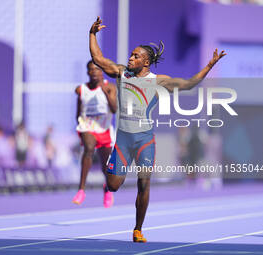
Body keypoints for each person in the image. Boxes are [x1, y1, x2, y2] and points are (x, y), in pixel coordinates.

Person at [89, 16, 226, 242]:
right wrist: (92, 34)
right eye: (131, 54)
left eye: (135, 56)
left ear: (146, 62)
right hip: (123, 139)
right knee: (113, 186)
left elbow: (189, 83)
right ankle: (112, 179)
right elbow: (98, 58)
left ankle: (138, 229)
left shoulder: (158, 81)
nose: (130, 58)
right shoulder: (121, 73)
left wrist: (210, 66)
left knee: (144, 182)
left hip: (144, 140)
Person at [72, 60, 117, 208]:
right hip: (87, 126)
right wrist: (80, 126)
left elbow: (115, 109)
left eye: (97, 69)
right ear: (87, 72)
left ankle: (107, 189)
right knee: (89, 148)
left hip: (104, 129)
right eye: (91, 70)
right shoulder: (81, 90)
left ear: (102, 71)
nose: (94, 72)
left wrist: (105, 92)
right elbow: (78, 111)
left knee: (106, 166)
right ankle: (81, 190)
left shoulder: (109, 87)